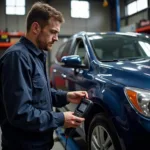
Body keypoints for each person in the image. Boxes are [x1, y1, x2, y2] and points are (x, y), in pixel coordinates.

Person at [0, 2, 88, 150]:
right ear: (36, 28)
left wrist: (66, 96)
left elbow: (39, 95)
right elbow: (20, 114)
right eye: (53, 32)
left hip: (40, 143)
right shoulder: (17, 58)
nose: (56, 38)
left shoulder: (37, 56)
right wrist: (60, 119)